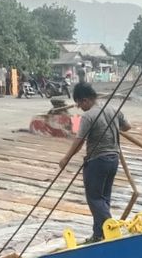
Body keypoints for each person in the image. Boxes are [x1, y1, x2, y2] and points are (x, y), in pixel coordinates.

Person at [56, 82, 131, 243]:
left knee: (95, 199)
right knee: (104, 199)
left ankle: (112, 230)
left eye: (79, 103)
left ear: (85, 100)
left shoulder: (89, 116)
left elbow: (79, 141)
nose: (79, 107)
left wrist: (65, 158)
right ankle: (99, 234)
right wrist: (113, 125)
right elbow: (127, 127)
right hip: (113, 159)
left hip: (97, 160)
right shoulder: (112, 109)